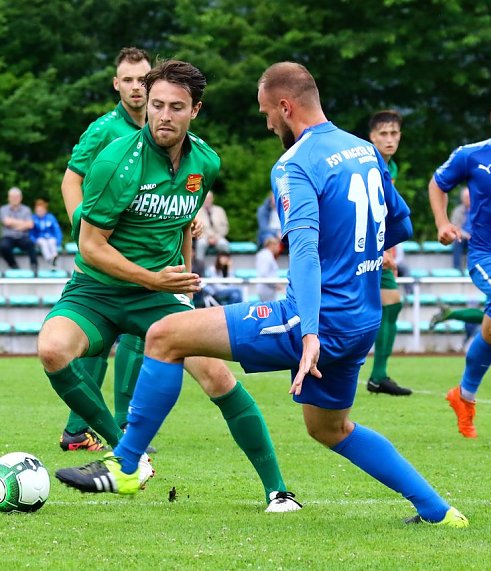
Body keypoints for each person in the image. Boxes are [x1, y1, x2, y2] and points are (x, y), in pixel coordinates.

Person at [57, 62, 468, 527]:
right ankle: (438, 511)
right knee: (329, 428)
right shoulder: (363, 151)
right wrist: (361, 258)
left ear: (285, 107)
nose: (267, 122)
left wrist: (310, 331)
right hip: (361, 318)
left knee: (165, 335)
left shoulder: (295, 164)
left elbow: (306, 252)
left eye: (267, 113)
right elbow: (401, 223)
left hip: (314, 319)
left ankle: (126, 466)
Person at [46, 60, 299, 512]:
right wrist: (153, 277)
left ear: (195, 111)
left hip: (161, 293)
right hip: (98, 290)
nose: (163, 115)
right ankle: (127, 453)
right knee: (52, 350)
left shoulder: (206, 161)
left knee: (218, 376)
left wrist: (180, 277)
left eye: (175, 107)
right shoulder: (114, 162)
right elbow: (89, 246)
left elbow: (184, 218)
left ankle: (279, 492)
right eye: (157, 105)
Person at [57, 47, 154, 451]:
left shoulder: (165, 127)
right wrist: (83, 224)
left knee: (135, 338)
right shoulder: (102, 130)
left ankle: (100, 427)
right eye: (128, 80)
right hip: (107, 253)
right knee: (104, 337)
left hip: (146, 250)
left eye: (142, 80)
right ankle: (93, 428)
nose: (136, 87)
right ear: (116, 84)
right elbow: (70, 180)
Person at [427, 86, 491, 439]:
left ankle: (464, 395)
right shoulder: (471, 156)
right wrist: (443, 223)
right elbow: (437, 184)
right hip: (487, 255)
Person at [365, 110, 412, 396]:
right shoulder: (368, 163)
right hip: (359, 246)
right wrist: (376, 249)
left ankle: (378, 376)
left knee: (391, 305)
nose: (390, 139)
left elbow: (386, 214)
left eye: (394, 133)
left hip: (376, 247)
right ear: (371, 137)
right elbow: (366, 211)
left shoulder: (389, 167)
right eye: (383, 134)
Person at [0, 187, 37, 272]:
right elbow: (6, 222)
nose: (15, 199)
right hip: (8, 237)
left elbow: (30, 225)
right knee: (3, 246)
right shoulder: (3, 209)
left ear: (21, 198)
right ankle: (13, 265)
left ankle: (34, 265)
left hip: (22, 236)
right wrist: (23, 223)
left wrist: (13, 223)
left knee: (30, 243)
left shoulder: (26, 209)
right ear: (8, 198)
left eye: (17, 197)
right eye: (12, 197)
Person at [193, 190, 229, 271]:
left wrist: (216, 237)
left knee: (224, 244)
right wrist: (207, 238)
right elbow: (196, 228)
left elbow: (225, 227)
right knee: (200, 244)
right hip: (203, 237)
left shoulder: (220, 210)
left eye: (209, 198)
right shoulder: (198, 211)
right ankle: (200, 270)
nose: (207, 200)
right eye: (205, 198)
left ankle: (224, 270)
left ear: (212, 199)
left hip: (218, 237)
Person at [30, 198, 63, 268]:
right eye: (38, 211)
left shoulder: (51, 217)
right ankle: (50, 259)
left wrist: (58, 241)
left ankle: (54, 257)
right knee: (43, 243)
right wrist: (33, 240)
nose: (40, 212)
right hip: (39, 239)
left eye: (41, 210)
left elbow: (57, 230)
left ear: (45, 210)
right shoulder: (33, 218)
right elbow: (30, 232)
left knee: (52, 241)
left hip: (50, 237)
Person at [450, 186, 472, 270]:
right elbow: (455, 227)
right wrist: (467, 236)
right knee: (457, 241)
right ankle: (457, 268)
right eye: (467, 197)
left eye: (470, 196)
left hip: (475, 237)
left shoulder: (478, 210)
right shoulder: (457, 211)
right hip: (463, 237)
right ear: (462, 198)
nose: (469, 199)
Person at [255, 236, 282, 301]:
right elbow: (264, 273)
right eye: (278, 245)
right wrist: (275, 284)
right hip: (267, 289)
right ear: (272, 245)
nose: (279, 248)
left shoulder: (264, 254)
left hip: (267, 288)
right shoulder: (266, 256)